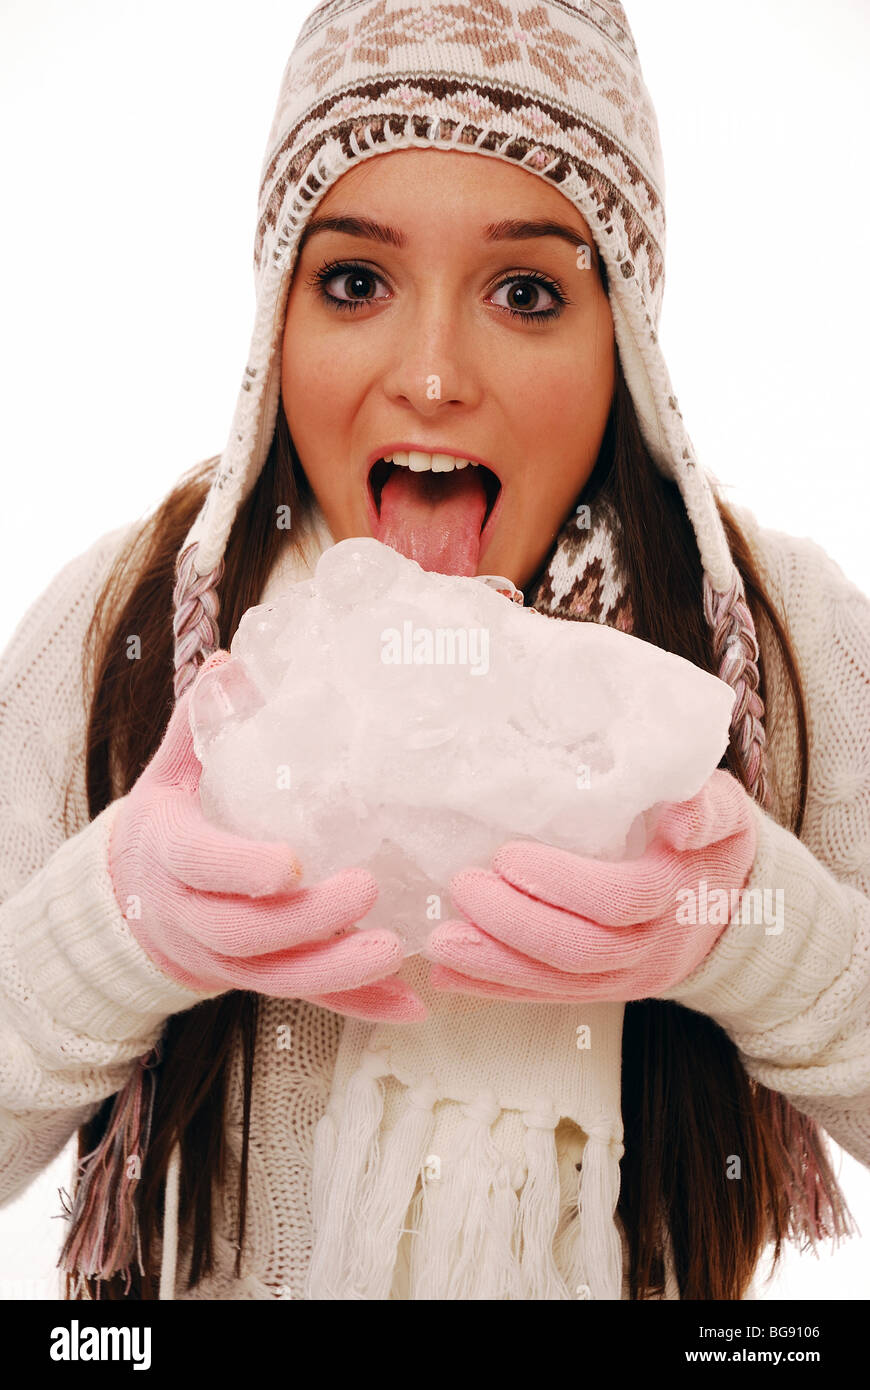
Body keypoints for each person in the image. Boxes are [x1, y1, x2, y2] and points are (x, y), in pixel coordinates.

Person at [1, 0, 867, 1301]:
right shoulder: (129, 625)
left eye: (526, 292)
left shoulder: (765, 644)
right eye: (355, 281)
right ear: (276, 317)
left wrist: (747, 926)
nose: (432, 376)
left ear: (624, 332)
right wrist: (110, 927)